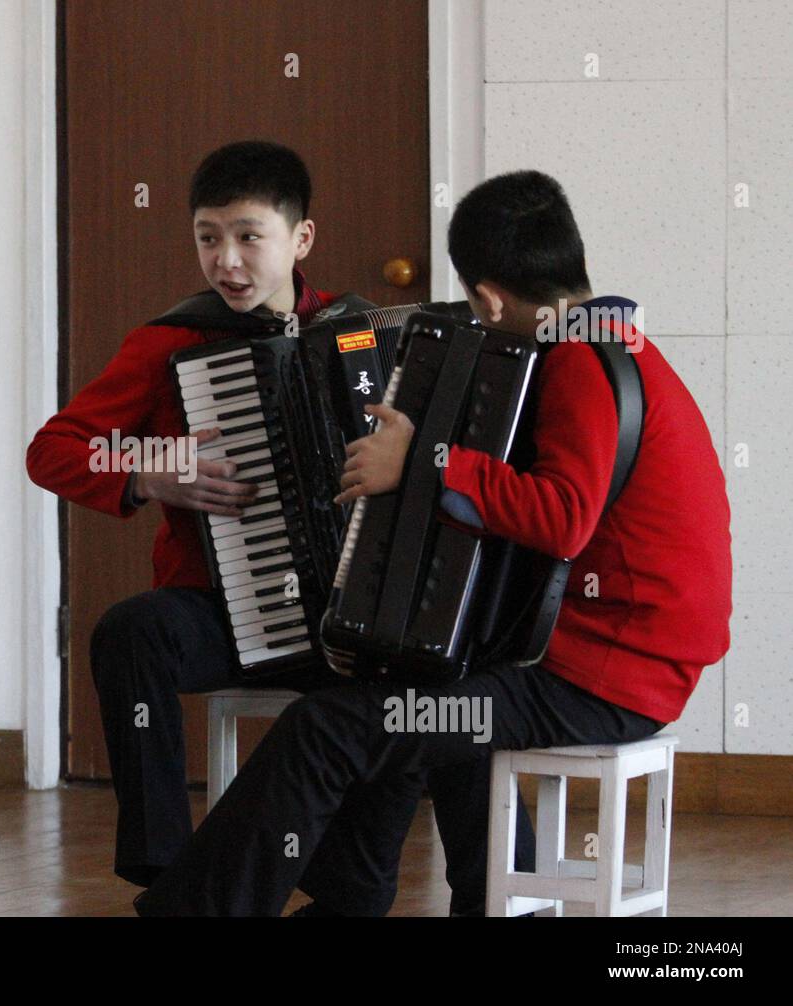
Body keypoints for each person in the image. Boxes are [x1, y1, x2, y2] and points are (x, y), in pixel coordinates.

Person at [134, 169, 732, 916]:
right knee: (412, 701)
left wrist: (422, 462)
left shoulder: (579, 361)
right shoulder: (614, 340)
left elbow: (562, 517)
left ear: (486, 298)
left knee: (328, 726)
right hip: (619, 665)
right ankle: (367, 897)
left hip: (599, 681)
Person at [27, 140, 532, 914]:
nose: (226, 261)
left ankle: (387, 890)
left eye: (247, 236)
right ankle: (168, 870)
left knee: (430, 682)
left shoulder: (362, 330)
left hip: (351, 618)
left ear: (300, 240)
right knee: (130, 631)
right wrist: (152, 468)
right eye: (207, 237)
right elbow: (53, 450)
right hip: (224, 610)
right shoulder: (172, 343)